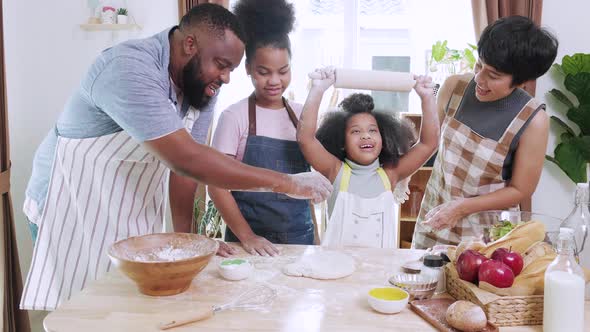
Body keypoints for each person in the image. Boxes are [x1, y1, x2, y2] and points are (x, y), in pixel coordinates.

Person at [20, 4, 331, 311]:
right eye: (221, 65)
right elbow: (189, 159)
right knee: (86, 310)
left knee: (133, 311)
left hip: (129, 204)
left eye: (231, 70)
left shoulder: (202, 85)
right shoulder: (128, 68)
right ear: (190, 44)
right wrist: (286, 183)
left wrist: (187, 241)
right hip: (70, 203)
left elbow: (187, 173)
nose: (224, 79)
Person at [411, 16, 559, 249]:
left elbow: (520, 190)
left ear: (521, 82)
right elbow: (429, 144)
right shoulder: (454, 87)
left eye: (493, 75)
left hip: (487, 236)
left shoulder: (533, 121)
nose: (479, 79)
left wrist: (460, 208)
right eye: (479, 65)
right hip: (436, 218)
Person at [209, 0, 313, 256]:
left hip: (299, 239)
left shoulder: (303, 115)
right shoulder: (234, 116)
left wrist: (316, 238)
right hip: (247, 241)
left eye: (283, 71)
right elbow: (216, 185)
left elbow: (309, 183)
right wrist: (248, 237)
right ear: (247, 69)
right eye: (264, 72)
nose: (274, 81)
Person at [297, 67, 439, 248]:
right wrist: (317, 89)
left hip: (380, 272)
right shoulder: (335, 171)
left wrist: (427, 97)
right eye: (356, 131)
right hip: (337, 270)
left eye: (372, 130)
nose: (366, 136)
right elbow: (305, 139)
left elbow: (429, 143)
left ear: (384, 138)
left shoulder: (390, 174)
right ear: (342, 142)